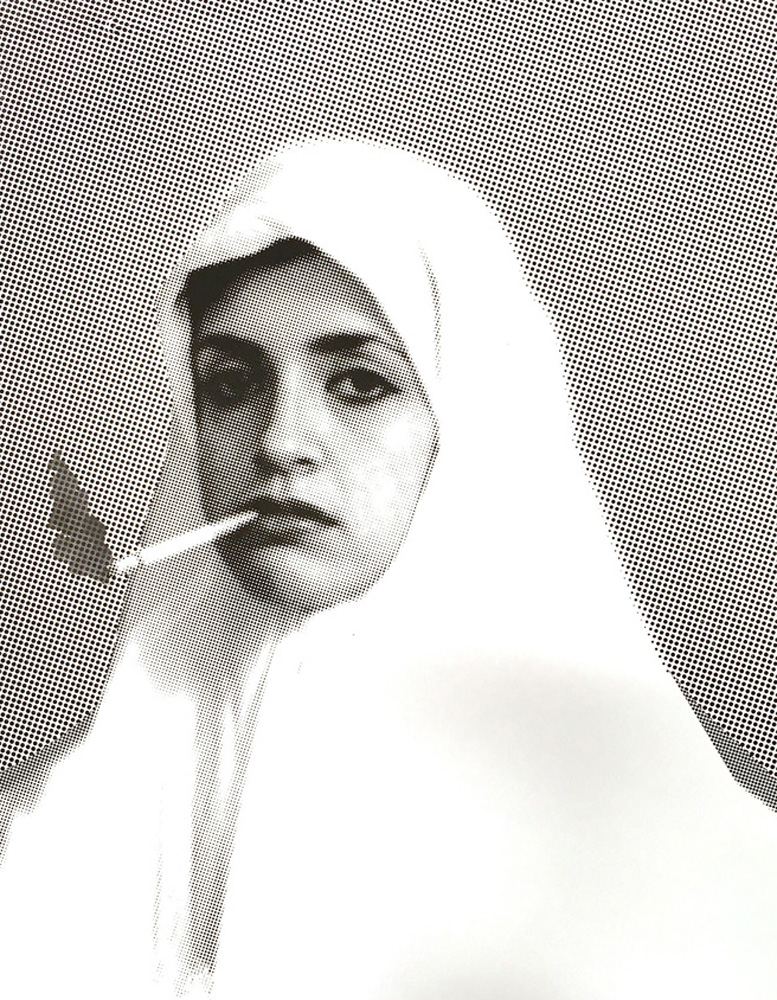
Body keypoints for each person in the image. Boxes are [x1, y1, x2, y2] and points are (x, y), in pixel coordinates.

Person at [1, 139, 777, 999]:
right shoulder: (50, 830)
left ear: (469, 417)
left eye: (360, 384)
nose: (279, 442)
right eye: (231, 384)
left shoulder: (674, 846)